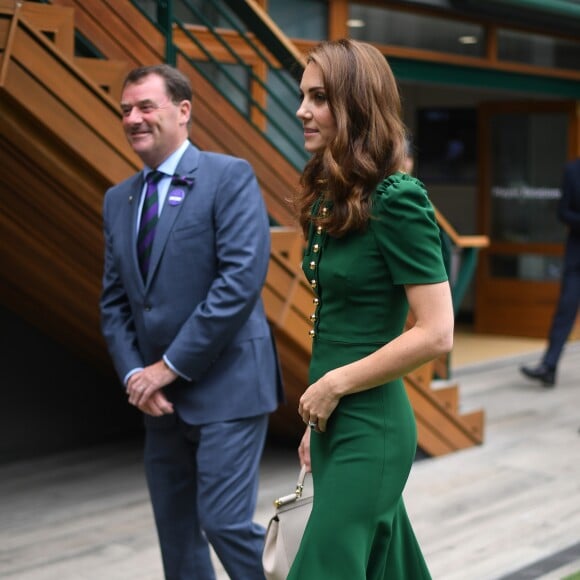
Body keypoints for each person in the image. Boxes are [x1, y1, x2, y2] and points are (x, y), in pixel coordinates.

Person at [99, 64, 283, 580]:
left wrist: (168, 367)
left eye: (145, 106)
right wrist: (138, 377)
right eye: (125, 110)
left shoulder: (229, 176)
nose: (133, 118)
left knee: (223, 521)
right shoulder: (118, 200)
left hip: (228, 387)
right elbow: (114, 303)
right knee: (176, 537)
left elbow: (240, 282)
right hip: (158, 403)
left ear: (183, 111)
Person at [289, 39, 454, 579]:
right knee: (391, 569)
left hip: (372, 427)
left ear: (356, 104)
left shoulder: (397, 198)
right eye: (302, 96)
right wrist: (317, 422)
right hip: (334, 425)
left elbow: (436, 333)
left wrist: (333, 386)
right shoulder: (332, 195)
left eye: (318, 97)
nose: (301, 111)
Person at [520, 158, 580, 387]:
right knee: (565, 311)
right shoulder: (572, 171)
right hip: (576, 256)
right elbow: (563, 212)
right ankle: (549, 366)